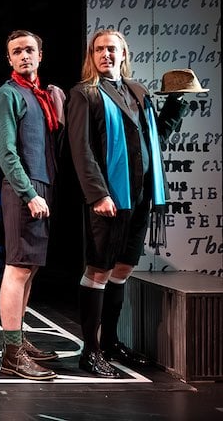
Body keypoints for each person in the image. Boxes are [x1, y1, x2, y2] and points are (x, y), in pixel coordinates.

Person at [66, 29, 187, 378]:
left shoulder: (138, 91)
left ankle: (110, 342)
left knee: (123, 268)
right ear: (92, 55)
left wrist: (177, 104)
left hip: (141, 195)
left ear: (123, 54)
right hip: (109, 197)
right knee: (99, 269)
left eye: (112, 49)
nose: (106, 54)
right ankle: (90, 351)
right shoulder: (84, 93)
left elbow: (154, 139)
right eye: (99, 49)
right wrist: (98, 194)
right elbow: (81, 149)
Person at [0, 30, 65, 380]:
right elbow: (6, 152)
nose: (24, 56)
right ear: (9, 59)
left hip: (41, 184)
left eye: (29, 50)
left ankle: (18, 339)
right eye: (17, 51)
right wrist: (29, 193)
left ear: (40, 54)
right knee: (18, 268)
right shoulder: (8, 94)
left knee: (29, 268)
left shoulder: (41, 95)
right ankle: (12, 354)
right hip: (24, 188)